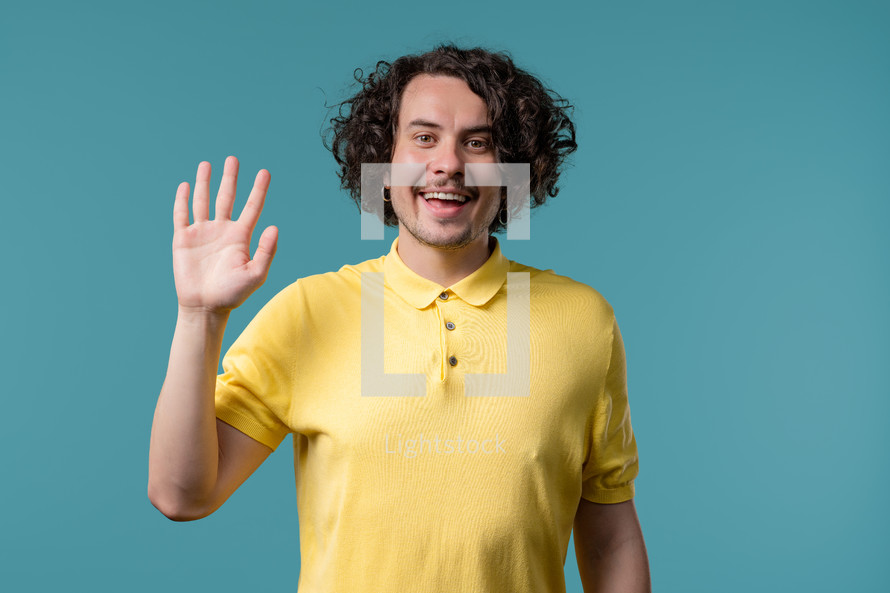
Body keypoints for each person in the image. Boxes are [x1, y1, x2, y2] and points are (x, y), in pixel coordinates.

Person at [148, 44, 651, 592]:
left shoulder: (584, 320)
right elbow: (181, 496)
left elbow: (609, 535)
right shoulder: (309, 311)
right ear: (383, 164)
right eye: (424, 137)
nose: (449, 164)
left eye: (477, 142)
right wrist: (198, 317)